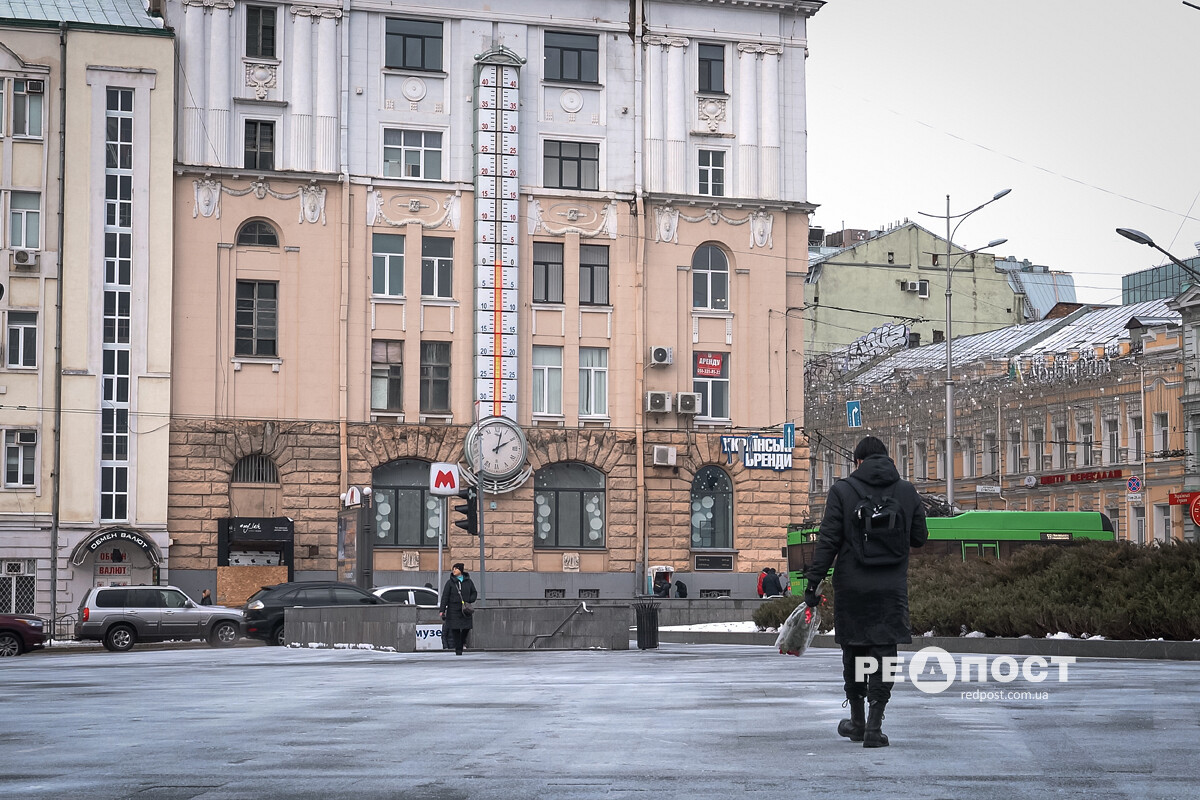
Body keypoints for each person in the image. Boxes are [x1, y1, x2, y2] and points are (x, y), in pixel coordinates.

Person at [804, 435, 928, 748]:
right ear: (887, 458)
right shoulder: (906, 491)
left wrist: (813, 582)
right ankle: (875, 725)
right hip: (890, 589)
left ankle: (856, 720)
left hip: (853, 588)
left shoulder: (843, 491)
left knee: (856, 650)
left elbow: (828, 540)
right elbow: (920, 538)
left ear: (858, 461)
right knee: (884, 654)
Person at [439, 563, 478, 655]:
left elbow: (474, 592)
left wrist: (470, 600)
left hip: (465, 609)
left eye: (456, 569)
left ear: (461, 570)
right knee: (455, 629)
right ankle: (458, 649)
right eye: (453, 569)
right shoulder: (450, 583)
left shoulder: (468, 582)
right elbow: (445, 596)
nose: (454, 571)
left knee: (466, 628)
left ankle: (461, 642)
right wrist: (442, 610)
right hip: (453, 609)